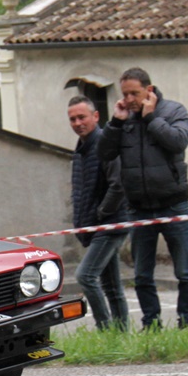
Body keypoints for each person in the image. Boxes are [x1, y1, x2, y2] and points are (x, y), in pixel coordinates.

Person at [99, 67, 188, 330]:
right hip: (139, 209)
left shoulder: (174, 111)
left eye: (134, 93)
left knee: (185, 273)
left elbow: (178, 142)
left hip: (174, 204)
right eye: (125, 94)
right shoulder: (124, 120)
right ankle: (151, 324)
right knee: (142, 275)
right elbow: (105, 153)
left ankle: (187, 324)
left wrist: (152, 118)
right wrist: (117, 122)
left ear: (149, 90)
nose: (129, 99)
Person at [68, 97, 129, 331]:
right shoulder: (81, 149)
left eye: (82, 117)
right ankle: (122, 336)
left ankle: (105, 329)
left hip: (110, 223)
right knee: (112, 285)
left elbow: (118, 185)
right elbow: (80, 190)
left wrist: (102, 212)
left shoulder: (105, 142)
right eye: (72, 119)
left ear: (95, 117)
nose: (77, 123)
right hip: (94, 225)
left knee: (85, 276)